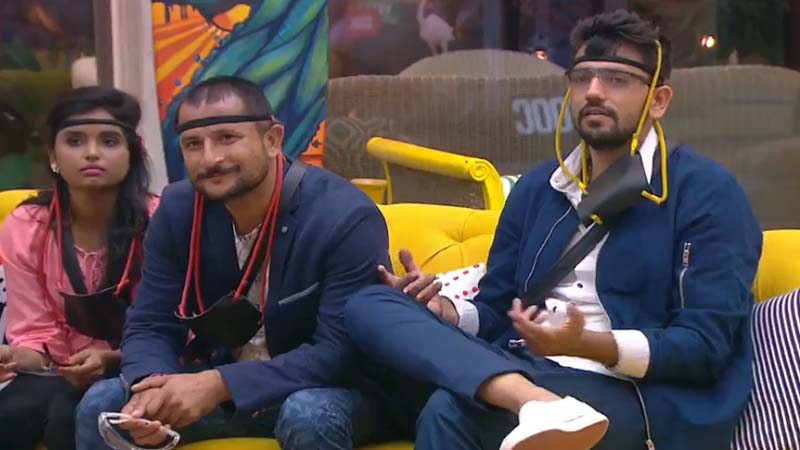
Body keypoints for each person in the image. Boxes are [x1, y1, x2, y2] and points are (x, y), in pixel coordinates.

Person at [345, 9, 762, 450]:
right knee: (370, 304)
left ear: (658, 101)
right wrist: (445, 312)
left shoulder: (706, 193)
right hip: (524, 367)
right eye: (582, 78)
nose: (594, 91)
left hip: (639, 394)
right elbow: (497, 308)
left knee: (452, 409)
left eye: (617, 80)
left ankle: (532, 401)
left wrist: (589, 344)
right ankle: (535, 402)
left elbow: (704, 346)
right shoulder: (539, 188)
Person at [76, 76, 392, 450]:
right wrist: (150, 387)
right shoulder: (178, 209)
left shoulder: (344, 216)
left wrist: (220, 384)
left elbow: (340, 351)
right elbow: (150, 322)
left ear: (272, 139)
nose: (210, 158)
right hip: (223, 388)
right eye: (193, 144)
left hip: (331, 390)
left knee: (308, 413)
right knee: (102, 403)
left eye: (227, 138)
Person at [0, 86, 158, 450]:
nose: (91, 153)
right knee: (11, 415)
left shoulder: (161, 220)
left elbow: (175, 327)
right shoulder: (27, 225)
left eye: (108, 141)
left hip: (142, 366)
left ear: (132, 152)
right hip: (59, 371)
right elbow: (35, 333)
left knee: (68, 417)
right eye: (74, 141)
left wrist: (112, 359)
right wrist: (15, 355)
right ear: (52, 155)